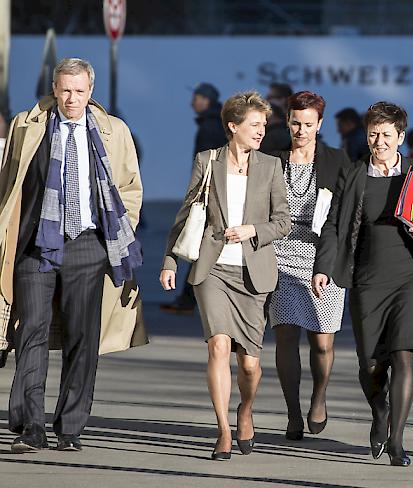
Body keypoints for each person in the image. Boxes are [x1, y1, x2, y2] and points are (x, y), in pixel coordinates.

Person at [0, 58, 145, 453]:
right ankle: (30, 427)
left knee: (84, 337)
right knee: (31, 331)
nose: (71, 99)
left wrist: (116, 235)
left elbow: (130, 188)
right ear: (54, 88)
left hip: (88, 243)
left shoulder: (113, 131)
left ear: (90, 92)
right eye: (65, 90)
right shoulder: (26, 125)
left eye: (79, 91)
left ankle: (70, 427)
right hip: (36, 243)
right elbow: (8, 185)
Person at [312, 101, 413, 466]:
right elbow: (332, 225)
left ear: (400, 137)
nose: (379, 141)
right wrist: (323, 266)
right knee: (371, 364)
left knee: (404, 353)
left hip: (412, 274)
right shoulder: (354, 173)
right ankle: (380, 412)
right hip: (367, 278)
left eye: (387, 135)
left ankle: (397, 440)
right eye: (373, 134)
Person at [160, 91, 291, 461]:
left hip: (253, 273)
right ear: (233, 126)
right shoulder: (208, 160)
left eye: (264, 125)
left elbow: (282, 221)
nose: (261, 132)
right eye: (254, 125)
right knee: (218, 344)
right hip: (212, 268)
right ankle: (222, 430)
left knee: (249, 363)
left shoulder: (270, 166)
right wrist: (170, 260)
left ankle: (245, 410)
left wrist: (253, 230)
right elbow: (187, 214)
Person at [268, 91, 351, 440]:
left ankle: (319, 397)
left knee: (322, 342)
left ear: (319, 125)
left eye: (308, 124)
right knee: (285, 335)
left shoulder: (336, 160)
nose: (301, 130)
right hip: (280, 254)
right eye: (295, 123)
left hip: (323, 253)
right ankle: (291, 412)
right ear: (287, 121)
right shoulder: (271, 158)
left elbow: (347, 213)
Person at [161, 82, 227, 314]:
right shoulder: (215, 123)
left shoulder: (209, 127)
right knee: (201, 243)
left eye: (197, 98)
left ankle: (189, 297)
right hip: (215, 192)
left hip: (209, 194)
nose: (193, 102)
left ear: (207, 100)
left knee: (197, 241)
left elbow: (208, 164)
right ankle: (189, 297)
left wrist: (199, 192)